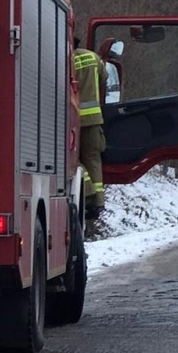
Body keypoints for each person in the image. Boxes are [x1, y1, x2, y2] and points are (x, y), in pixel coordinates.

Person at [73, 35, 107, 224]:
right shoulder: (93, 58)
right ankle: (98, 202)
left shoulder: (65, 60)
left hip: (71, 121)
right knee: (93, 159)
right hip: (93, 120)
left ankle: (88, 192)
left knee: (72, 161)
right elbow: (105, 78)